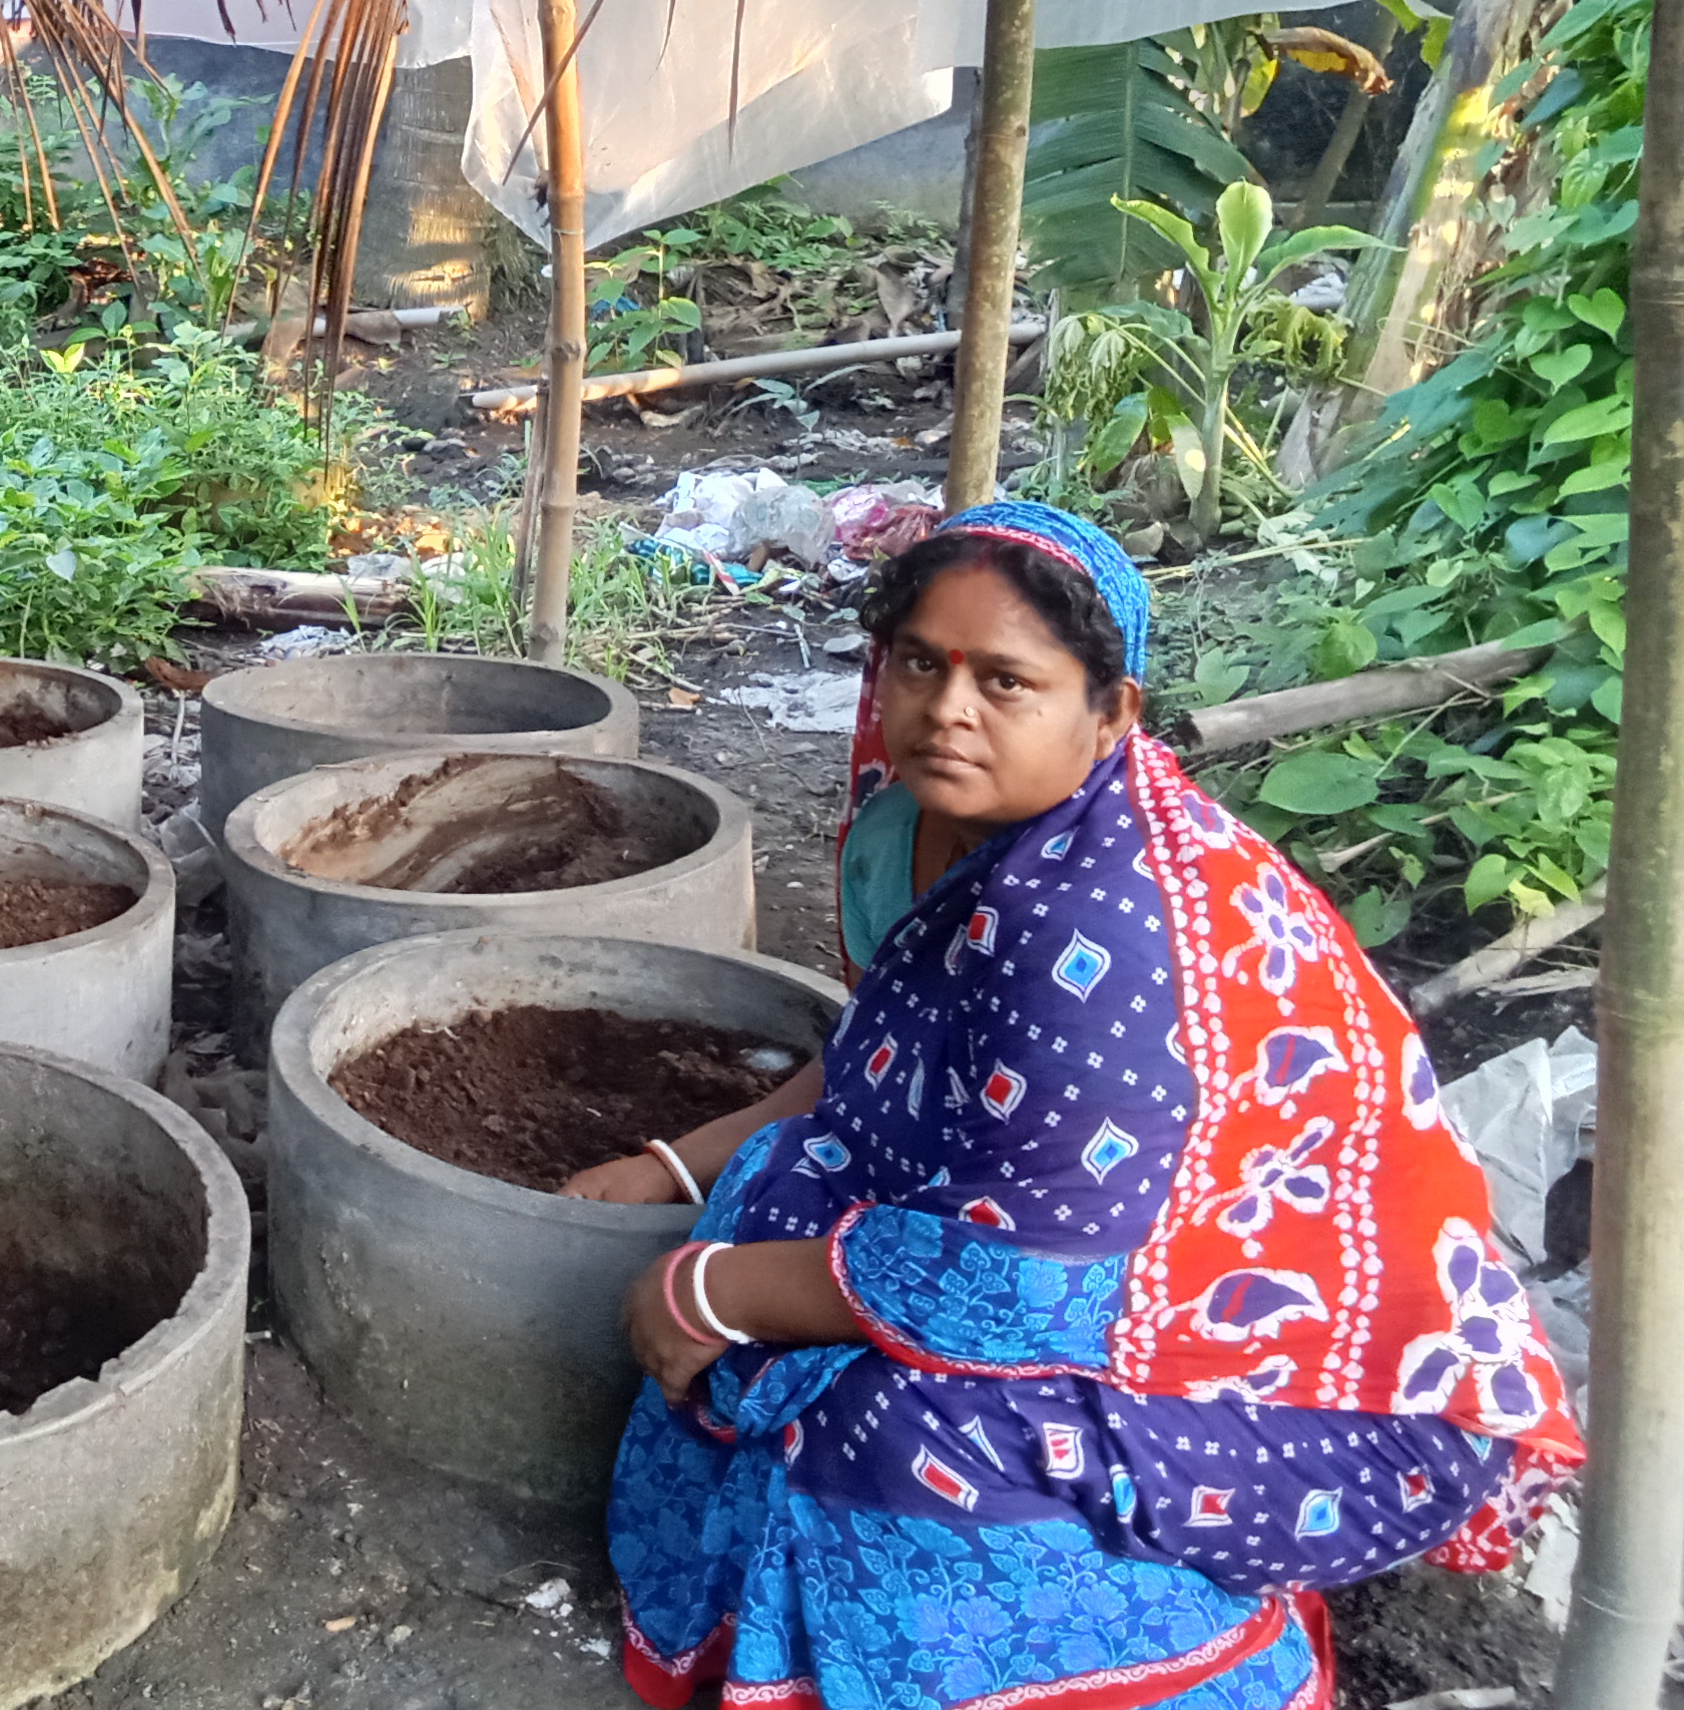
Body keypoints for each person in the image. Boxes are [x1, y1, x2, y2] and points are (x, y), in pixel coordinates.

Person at [566, 499, 1577, 1710]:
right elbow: (880, 1059)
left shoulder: (1093, 921)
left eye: (1008, 681)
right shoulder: (910, 822)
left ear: (1111, 714)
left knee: (896, 1428)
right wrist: (679, 1169)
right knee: (771, 1193)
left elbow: (1018, 1284)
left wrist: (703, 1288)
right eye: (920, 664)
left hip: (1278, 1362)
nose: (948, 708)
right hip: (1047, 1242)